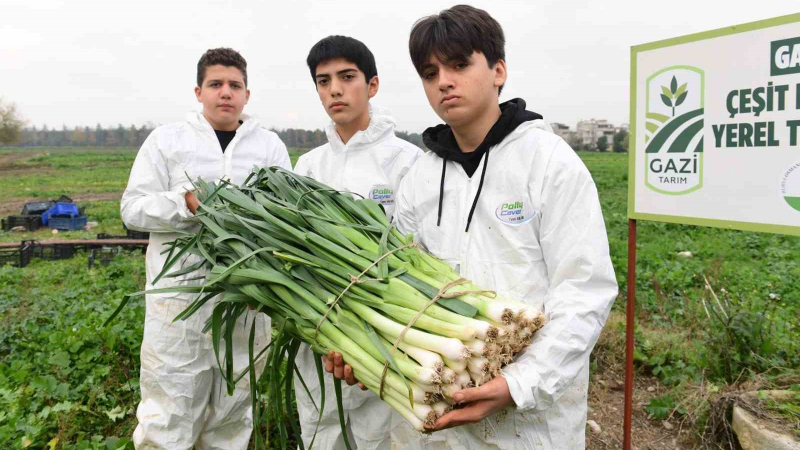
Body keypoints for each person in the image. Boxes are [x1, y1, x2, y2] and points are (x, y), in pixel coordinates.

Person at [385, 5, 618, 449]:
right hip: (443, 400)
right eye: (430, 73)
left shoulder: (548, 161)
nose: (444, 82)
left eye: (459, 64)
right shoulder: (418, 177)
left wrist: (520, 382)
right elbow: (403, 282)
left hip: (531, 421)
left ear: (498, 71)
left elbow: (585, 290)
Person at [120, 47, 292, 450]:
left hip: (246, 303)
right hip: (178, 304)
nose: (225, 93)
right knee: (169, 412)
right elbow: (132, 210)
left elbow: (285, 219)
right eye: (216, 84)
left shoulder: (269, 147)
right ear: (199, 91)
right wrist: (186, 203)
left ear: (247, 95)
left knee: (233, 413)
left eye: (235, 85)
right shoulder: (167, 141)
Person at [292, 35, 424, 450]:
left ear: (372, 85)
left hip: (389, 336)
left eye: (347, 77)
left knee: (388, 436)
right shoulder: (308, 166)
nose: (334, 89)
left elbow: (420, 251)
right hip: (321, 335)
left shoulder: (408, 161)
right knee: (321, 429)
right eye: (323, 80)